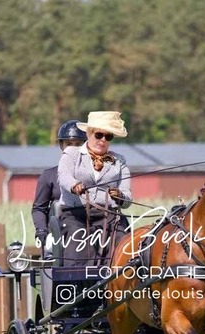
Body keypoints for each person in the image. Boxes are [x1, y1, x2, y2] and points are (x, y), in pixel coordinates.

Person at [58, 110, 132, 266]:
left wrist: (120, 196)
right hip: (76, 215)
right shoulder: (72, 153)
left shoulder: (119, 161)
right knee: (78, 244)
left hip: (110, 215)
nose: (103, 140)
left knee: (125, 245)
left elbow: (128, 197)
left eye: (108, 136)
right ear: (88, 134)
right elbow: (64, 176)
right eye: (98, 135)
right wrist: (74, 185)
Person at [31, 120, 86, 247]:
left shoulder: (93, 175)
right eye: (69, 144)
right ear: (61, 145)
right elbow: (39, 208)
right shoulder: (48, 176)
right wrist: (41, 230)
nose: (73, 148)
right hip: (60, 233)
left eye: (78, 144)